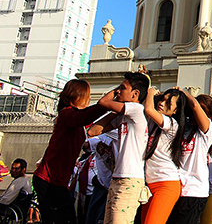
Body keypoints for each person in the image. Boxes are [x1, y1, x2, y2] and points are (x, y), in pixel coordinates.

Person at [33, 79, 106, 224]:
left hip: (57, 181)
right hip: (49, 180)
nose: (89, 98)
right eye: (87, 95)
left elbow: (96, 123)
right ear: (78, 96)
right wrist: (105, 104)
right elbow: (87, 116)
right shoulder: (68, 115)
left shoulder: (74, 119)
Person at [89, 71, 150, 224]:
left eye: (122, 88)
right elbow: (93, 131)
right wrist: (115, 111)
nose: (118, 91)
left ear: (135, 94)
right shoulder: (124, 116)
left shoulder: (137, 110)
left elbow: (103, 101)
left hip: (130, 180)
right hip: (117, 178)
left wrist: (114, 101)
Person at [167, 93, 212, 224]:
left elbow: (195, 106)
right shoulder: (182, 129)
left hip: (194, 191)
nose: (193, 113)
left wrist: (182, 92)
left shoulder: (208, 132)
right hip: (177, 188)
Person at [141, 88, 189, 224]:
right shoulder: (154, 124)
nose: (162, 103)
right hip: (150, 184)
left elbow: (149, 110)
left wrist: (150, 93)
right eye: (162, 99)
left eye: (168, 102)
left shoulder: (172, 124)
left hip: (166, 184)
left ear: (175, 111)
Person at [85, 129, 118, 224]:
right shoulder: (100, 139)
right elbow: (86, 144)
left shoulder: (122, 135)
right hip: (103, 185)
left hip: (118, 184)